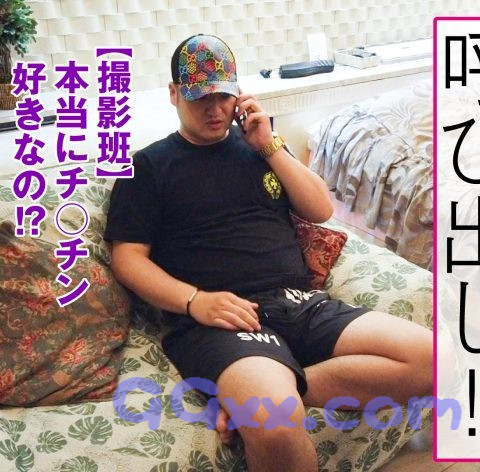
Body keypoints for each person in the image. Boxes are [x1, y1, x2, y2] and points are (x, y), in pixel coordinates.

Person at [104, 34, 432, 472]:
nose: (214, 109)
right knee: (275, 422)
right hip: (220, 318)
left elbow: (320, 209)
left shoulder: (261, 149)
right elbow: (128, 259)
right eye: (201, 97)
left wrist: (269, 143)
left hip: (298, 303)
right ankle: (261, 400)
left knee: (432, 360)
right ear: (174, 93)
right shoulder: (147, 167)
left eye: (223, 95)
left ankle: (265, 396)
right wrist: (195, 301)